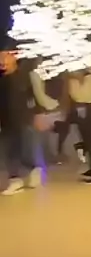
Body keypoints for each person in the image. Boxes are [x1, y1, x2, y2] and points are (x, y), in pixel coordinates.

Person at [0, 43, 42, 195]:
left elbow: (34, 96)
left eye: (6, 56)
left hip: (23, 118)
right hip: (5, 119)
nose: (2, 60)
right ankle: (15, 180)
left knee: (25, 148)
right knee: (9, 150)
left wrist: (37, 114)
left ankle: (33, 170)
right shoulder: (2, 78)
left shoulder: (25, 76)